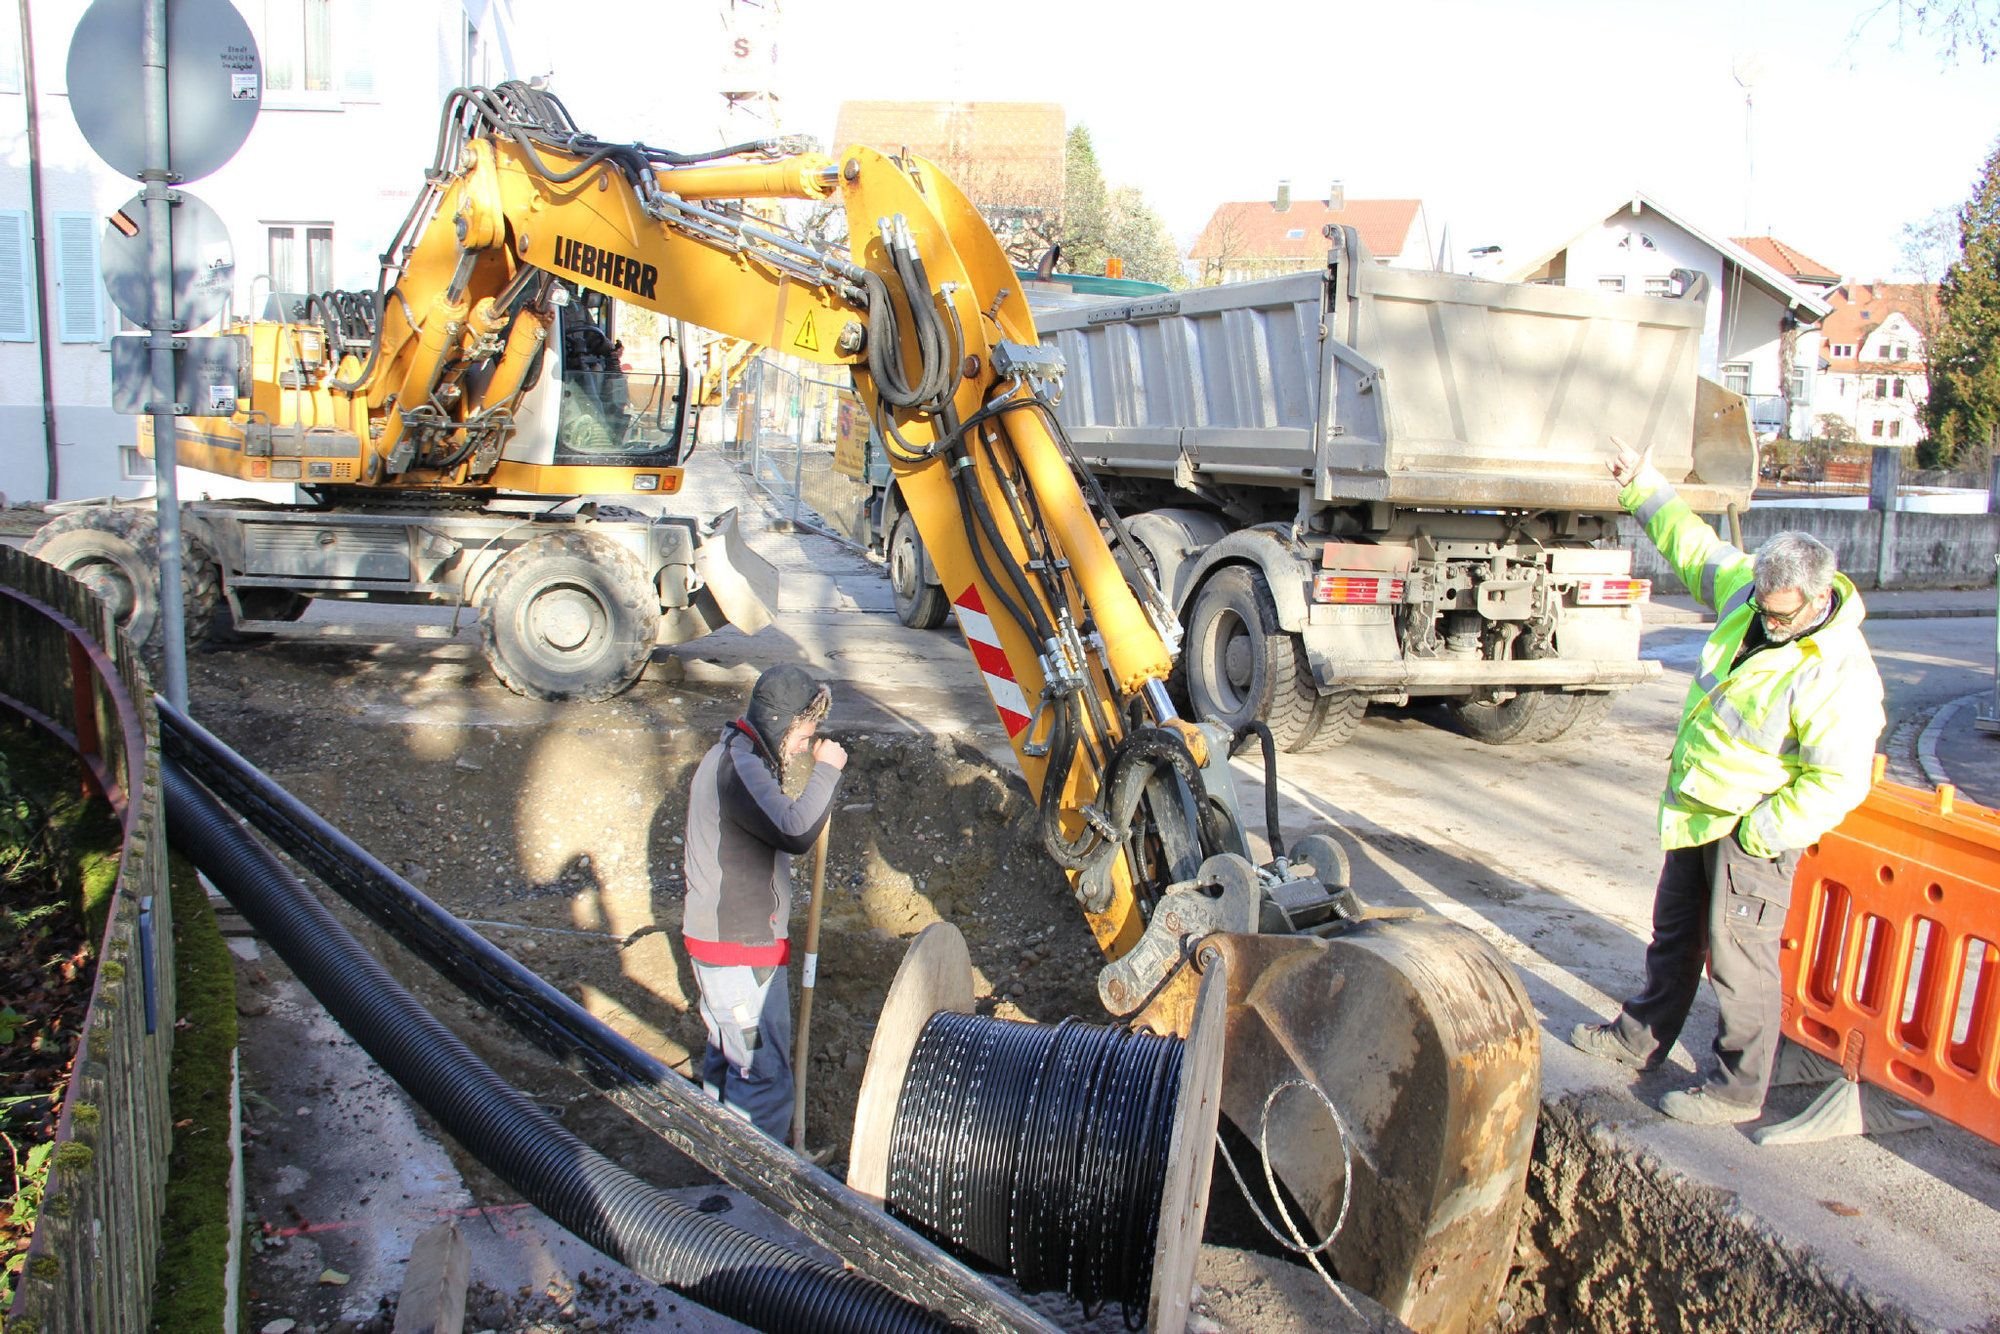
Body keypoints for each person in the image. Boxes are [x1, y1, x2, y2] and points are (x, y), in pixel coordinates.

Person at [1571, 438, 1885, 1125]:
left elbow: (1838, 780)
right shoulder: (1747, 592)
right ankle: (1639, 1039)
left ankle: (1738, 1088)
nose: (1769, 623)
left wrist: (1763, 831)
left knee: (1740, 961)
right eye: (1765, 609)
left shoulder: (1836, 670)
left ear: (1817, 597)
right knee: (1675, 935)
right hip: (1698, 811)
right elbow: (1691, 544)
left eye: (1782, 615)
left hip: (1753, 829)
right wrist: (1640, 484)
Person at [682, 664, 846, 1142]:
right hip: (738, 952)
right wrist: (827, 774)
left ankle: (723, 1168)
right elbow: (794, 830)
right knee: (763, 1077)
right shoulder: (740, 766)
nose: (806, 742)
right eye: (804, 731)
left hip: (729, 948)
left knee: (729, 1064)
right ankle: (760, 1198)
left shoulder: (738, 755)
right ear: (782, 721)